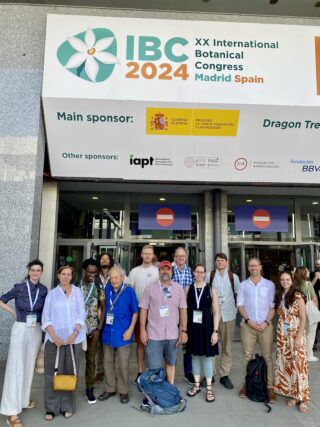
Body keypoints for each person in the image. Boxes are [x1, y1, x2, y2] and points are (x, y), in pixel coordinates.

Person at [0, 260, 47, 427]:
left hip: (35, 329)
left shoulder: (43, 290)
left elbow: (44, 313)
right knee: (16, 368)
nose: (35, 273)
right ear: (28, 271)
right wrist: (14, 312)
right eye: (33, 270)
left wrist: (43, 340)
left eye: (38, 270)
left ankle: (23, 400)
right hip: (20, 328)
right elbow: (1, 300)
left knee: (28, 367)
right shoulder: (20, 287)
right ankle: (11, 412)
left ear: (41, 272)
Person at [42, 266, 86, 421]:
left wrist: (74, 333)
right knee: (51, 374)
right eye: (63, 274)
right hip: (54, 340)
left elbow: (82, 314)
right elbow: (45, 317)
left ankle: (67, 406)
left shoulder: (78, 292)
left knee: (70, 372)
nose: (66, 277)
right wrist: (54, 336)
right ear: (58, 275)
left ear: (72, 276)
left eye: (69, 274)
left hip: (74, 339)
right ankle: (51, 408)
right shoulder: (52, 294)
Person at [139, 260, 188, 384]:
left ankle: (170, 388)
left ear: (172, 272)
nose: (165, 271)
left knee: (171, 363)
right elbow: (144, 309)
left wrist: (183, 331)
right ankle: (155, 393)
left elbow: (183, 310)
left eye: (168, 269)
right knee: (154, 367)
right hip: (154, 334)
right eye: (163, 269)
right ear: (159, 271)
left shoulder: (178, 289)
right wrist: (142, 330)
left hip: (172, 334)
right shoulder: (150, 288)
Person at [237, 258, 276, 402]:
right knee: (247, 356)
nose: (253, 267)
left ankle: (270, 388)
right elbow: (240, 305)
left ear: (260, 267)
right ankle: (245, 386)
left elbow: (273, 306)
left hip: (266, 326)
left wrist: (266, 322)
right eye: (251, 265)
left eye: (256, 265)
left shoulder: (269, 285)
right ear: (248, 268)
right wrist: (248, 320)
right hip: (248, 326)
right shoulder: (243, 285)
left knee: (267, 357)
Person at [98, 266, 138, 404]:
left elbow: (135, 312)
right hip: (109, 332)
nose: (114, 280)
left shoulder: (129, 291)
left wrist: (130, 330)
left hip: (123, 333)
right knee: (107, 363)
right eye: (111, 277)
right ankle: (110, 388)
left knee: (123, 364)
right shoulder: (107, 289)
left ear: (122, 278)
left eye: (116, 277)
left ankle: (123, 391)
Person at [273, 271, 310, 413]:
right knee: (288, 364)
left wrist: (299, 337)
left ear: (292, 280)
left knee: (299, 365)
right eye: (282, 279)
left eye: (287, 279)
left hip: (295, 334)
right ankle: (293, 395)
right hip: (283, 335)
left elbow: (303, 318)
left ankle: (303, 399)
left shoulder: (297, 295)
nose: (285, 281)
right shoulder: (279, 295)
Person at [185, 264, 220, 402]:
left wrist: (215, 331)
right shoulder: (188, 289)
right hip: (192, 328)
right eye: (197, 272)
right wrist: (183, 330)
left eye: (202, 272)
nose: (199, 274)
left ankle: (209, 388)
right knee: (194, 356)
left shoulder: (211, 290)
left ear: (205, 273)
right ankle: (197, 385)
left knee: (206, 357)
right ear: (193, 273)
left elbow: (216, 311)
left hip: (207, 327)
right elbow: (183, 310)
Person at [209, 252, 240, 389]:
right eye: (218, 260)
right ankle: (210, 374)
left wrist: (236, 309)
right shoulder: (209, 276)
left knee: (227, 347)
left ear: (226, 262)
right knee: (211, 345)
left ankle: (224, 375)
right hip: (212, 316)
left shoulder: (234, 277)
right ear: (215, 262)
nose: (220, 262)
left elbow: (239, 295)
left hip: (229, 315)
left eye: (222, 260)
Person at [76, 259, 105, 404]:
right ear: (83, 271)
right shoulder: (74, 286)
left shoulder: (99, 288)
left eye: (95, 272)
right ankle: (69, 387)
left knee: (91, 361)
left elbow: (103, 308)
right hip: (75, 332)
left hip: (92, 331)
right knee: (72, 360)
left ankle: (89, 388)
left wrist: (99, 329)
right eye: (90, 272)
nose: (92, 274)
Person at [128, 244, 159, 381]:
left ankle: (152, 371)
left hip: (154, 313)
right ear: (141, 255)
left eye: (149, 253)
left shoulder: (158, 271)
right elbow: (129, 293)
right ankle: (140, 372)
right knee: (140, 343)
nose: (147, 256)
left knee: (153, 344)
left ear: (153, 256)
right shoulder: (134, 272)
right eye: (145, 253)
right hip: (139, 312)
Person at [171, 246, 194, 383]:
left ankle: (188, 372)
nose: (180, 258)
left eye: (183, 256)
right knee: (171, 344)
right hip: (172, 314)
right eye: (178, 256)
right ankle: (170, 372)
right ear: (174, 258)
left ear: (186, 257)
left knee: (187, 344)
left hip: (187, 313)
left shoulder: (191, 272)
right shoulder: (170, 271)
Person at [94, 252, 114, 384]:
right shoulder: (95, 276)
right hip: (97, 314)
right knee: (99, 345)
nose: (105, 261)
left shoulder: (115, 275)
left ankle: (111, 372)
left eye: (107, 259)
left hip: (112, 314)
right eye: (102, 259)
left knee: (112, 344)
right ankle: (100, 371)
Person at [294, 266, 319, 361]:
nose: (309, 272)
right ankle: (309, 354)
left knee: (301, 332)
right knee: (311, 333)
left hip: (299, 311)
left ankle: (300, 353)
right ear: (304, 273)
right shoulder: (307, 283)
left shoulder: (295, 284)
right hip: (308, 310)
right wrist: (316, 309)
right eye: (307, 271)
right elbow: (314, 298)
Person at [309, 258, 320, 351]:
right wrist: (316, 278)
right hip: (315, 301)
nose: (318, 266)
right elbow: (310, 287)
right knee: (314, 322)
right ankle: (314, 343)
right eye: (317, 264)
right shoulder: (312, 274)